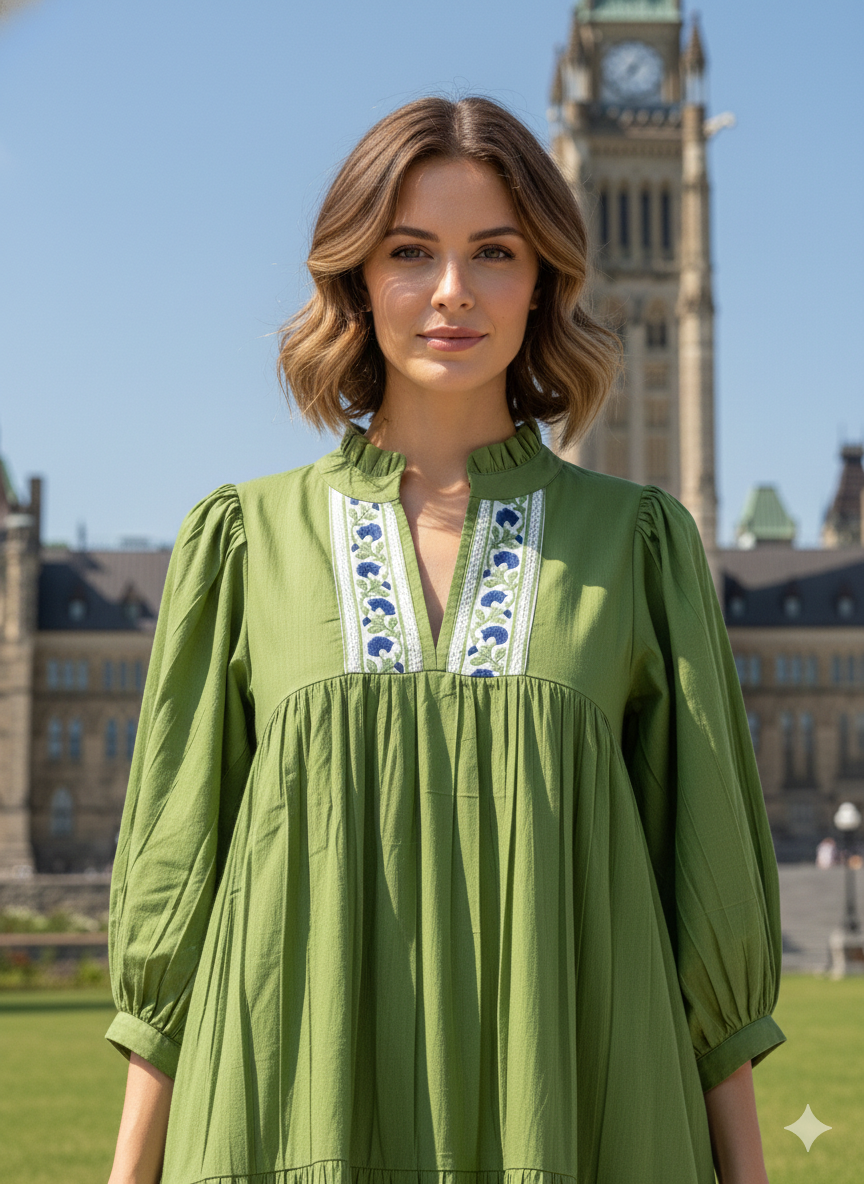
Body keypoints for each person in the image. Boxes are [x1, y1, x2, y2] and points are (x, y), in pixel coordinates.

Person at [105, 96, 786, 1184]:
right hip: (291, 1114)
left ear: (546, 280)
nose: (453, 290)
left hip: (582, 1112)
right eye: (411, 251)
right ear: (357, 278)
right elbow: (172, 906)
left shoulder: (641, 545)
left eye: (495, 252)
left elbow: (710, 907)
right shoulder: (243, 541)